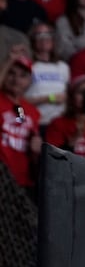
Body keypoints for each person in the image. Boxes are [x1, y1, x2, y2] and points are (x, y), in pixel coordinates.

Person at [0, 52, 42, 188]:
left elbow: (33, 146)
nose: (16, 80)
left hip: (23, 181)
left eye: (23, 76)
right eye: (11, 73)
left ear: (30, 81)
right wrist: (10, 60)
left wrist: (37, 150)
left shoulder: (32, 111)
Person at [24, 22, 69, 125]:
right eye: (39, 35)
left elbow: (67, 97)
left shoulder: (63, 67)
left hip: (59, 123)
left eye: (48, 34)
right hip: (34, 122)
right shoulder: (27, 65)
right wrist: (50, 98)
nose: (44, 39)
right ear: (32, 40)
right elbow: (17, 100)